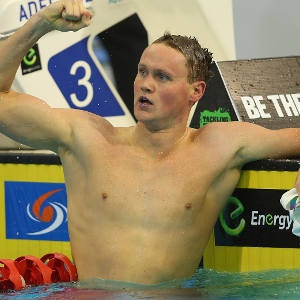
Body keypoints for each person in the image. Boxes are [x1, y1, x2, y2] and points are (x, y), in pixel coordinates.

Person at [0, 0, 299, 287]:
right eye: (142, 71)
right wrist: (40, 24)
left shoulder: (217, 146)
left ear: (196, 91)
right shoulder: (88, 139)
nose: (146, 84)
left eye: (162, 77)